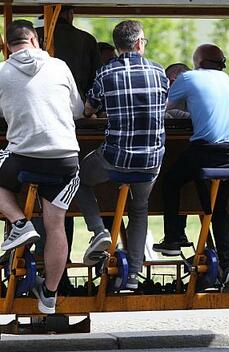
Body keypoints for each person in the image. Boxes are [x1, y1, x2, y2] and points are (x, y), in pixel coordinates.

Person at [0, 20, 84, 314]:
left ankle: (20, 224)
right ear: (35, 40)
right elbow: (77, 109)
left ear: (7, 46)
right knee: (55, 224)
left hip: (24, 156)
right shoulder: (60, 66)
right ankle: (49, 295)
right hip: (65, 159)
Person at [75, 20, 169, 290]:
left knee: (78, 178)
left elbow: (89, 109)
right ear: (140, 43)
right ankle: (133, 276)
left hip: (115, 158)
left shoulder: (106, 73)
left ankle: (99, 231)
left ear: (117, 47)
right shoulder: (159, 72)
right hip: (151, 160)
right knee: (139, 209)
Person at [153, 44, 229, 291]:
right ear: (220, 62)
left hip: (207, 150)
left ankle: (174, 238)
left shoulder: (188, 77)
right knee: (218, 207)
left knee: (171, 181)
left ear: (197, 61)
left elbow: (161, 108)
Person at [37, 5, 100, 99]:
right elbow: (96, 75)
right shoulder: (87, 39)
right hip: (78, 99)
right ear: (69, 14)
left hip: (42, 98)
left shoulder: (35, 35)